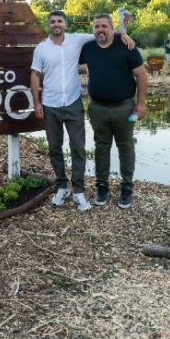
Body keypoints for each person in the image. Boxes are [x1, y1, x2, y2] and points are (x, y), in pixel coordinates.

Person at [30, 11, 135, 211]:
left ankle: (78, 191)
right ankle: (62, 187)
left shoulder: (77, 40)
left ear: (66, 24)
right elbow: (35, 75)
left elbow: (105, 33)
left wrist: (124, 34)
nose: (56, 24)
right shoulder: (41, 48)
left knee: (78, 148)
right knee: (54, 148)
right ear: (48, 25)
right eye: (52, 22)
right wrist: (36, 103)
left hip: (73, 102)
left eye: (59, 21)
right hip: (50, 104)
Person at [79, 13, 148, 209]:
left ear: (111, 28)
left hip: (124, 107)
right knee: (101, 147)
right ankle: (102, 186)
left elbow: (141, 75)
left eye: (104, 26)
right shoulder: (88, 48)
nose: (100, 29)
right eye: (97, 26)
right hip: (97, 108)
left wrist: (141, 104)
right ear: (93, 29)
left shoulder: (127, 47)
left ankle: (126, 187)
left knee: (125, 146)